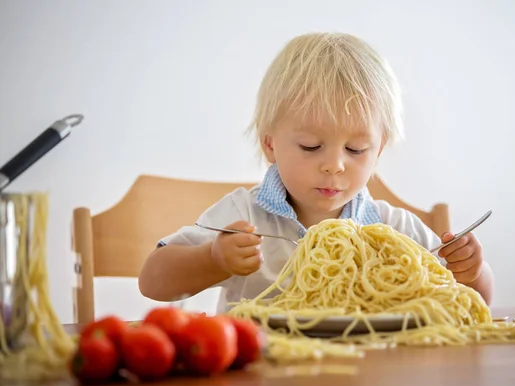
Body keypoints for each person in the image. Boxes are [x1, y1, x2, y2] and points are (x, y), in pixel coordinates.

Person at [138, 32, 494, 312]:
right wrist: (212, 258)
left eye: (356, 150)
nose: (335, 164)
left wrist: (471, 272)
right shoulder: (243, 217)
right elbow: (153, 281)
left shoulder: (394, 230)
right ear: (270, 145)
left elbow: (476, 299)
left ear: (379, 151)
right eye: (311, 146)